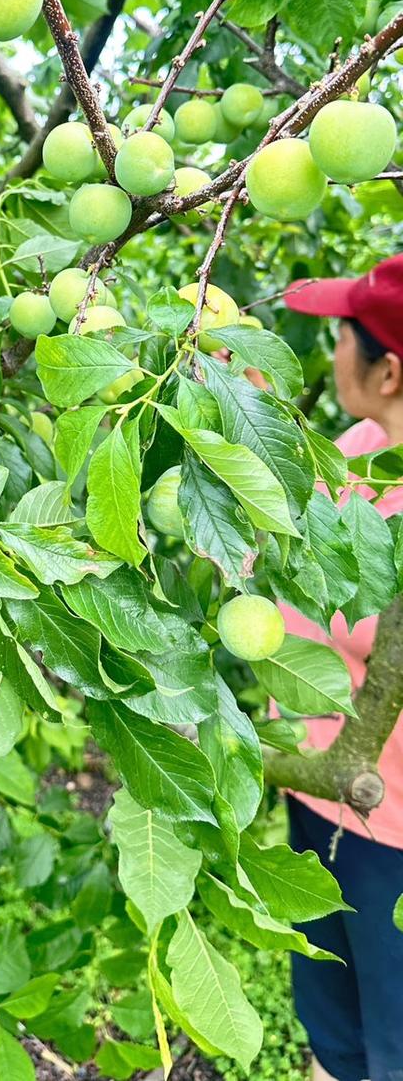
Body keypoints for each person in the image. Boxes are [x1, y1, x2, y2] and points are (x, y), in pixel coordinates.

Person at [278, 254, 403, 1081]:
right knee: (331, 1017)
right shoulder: (359, 446)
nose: (332, 354)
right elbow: (289, 552)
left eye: (343, 339)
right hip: (321, 789)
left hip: (392, 837)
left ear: (387, 370)